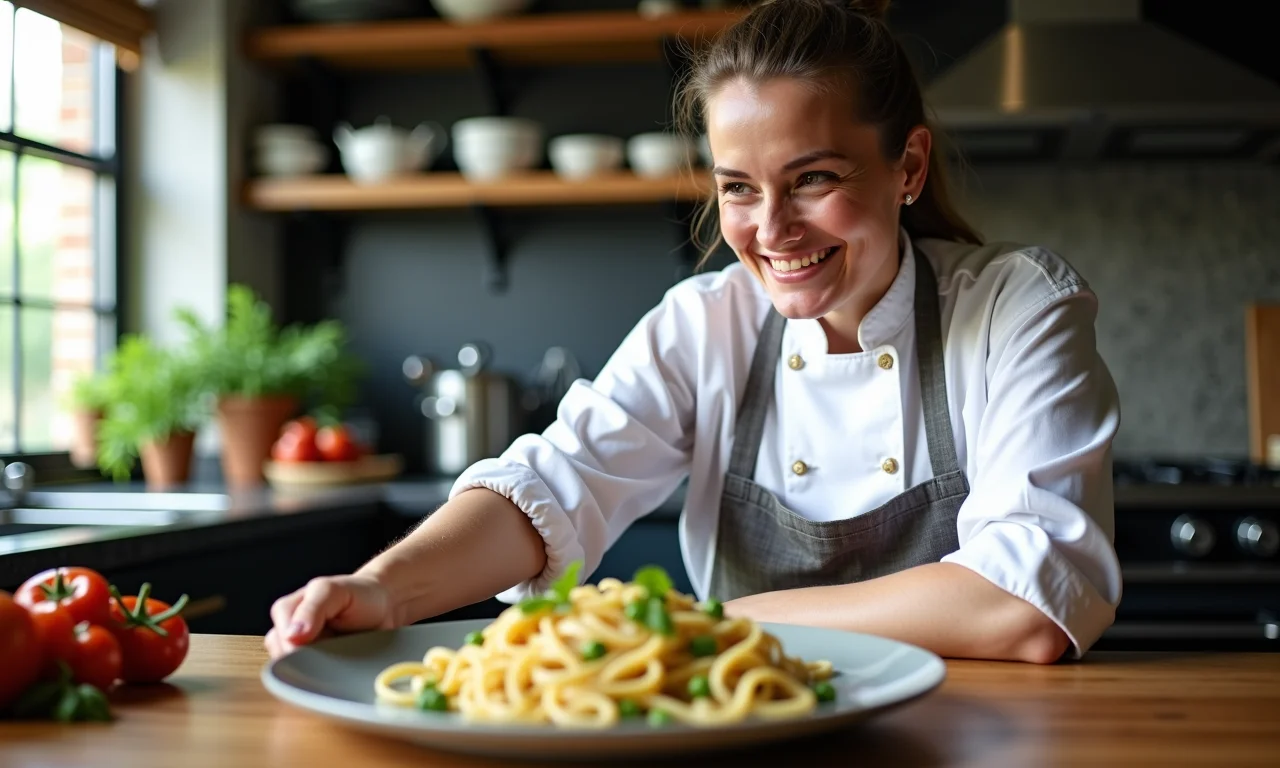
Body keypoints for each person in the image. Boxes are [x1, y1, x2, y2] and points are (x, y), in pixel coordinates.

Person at [266, 0, 1121, 665]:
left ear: (908, 166)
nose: (772, 228)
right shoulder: (705, 324)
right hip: (745, 737)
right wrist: (384, 590)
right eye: (740, 188)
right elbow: (555, 488)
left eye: (812, 177)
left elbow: (1028, 605)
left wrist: (720, 625)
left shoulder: (1017, 308)